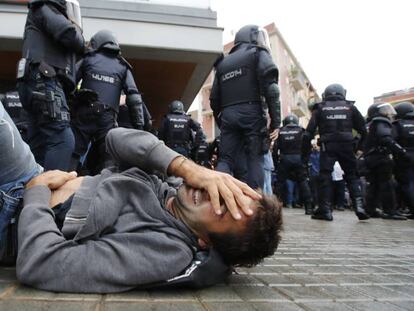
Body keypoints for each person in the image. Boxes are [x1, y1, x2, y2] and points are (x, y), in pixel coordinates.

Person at [0, 101, 283, 292]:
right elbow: (114, 140)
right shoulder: (173, 188)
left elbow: (42, 264)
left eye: (223, 206)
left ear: (206, 242)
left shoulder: (167, 251)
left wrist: (36, 193)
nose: (213, 192)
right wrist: (186, 167)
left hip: (12, 215)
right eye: (227, 190)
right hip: (27, 179)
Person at [210, 25, 280, 189]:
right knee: (254, 157)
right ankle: (254, 202)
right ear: (254, 37)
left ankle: (219, 198)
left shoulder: (222, 64)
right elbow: (272, 89)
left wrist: (222, 122)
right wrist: (275, 123)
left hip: (228, 115)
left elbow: (214, 99)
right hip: (252, 112)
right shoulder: (257, 53)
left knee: (225, 160)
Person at [17, 0, 85, 171]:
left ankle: (32, 193)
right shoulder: (44, 6)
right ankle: (51, 195)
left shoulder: (43, 10)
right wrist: (83, 43)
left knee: (39, 144)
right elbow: (70, 34)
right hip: (43, 80)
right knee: (62, 139)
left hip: (38, 82)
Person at [70, 30, 145, 173]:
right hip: (107, 118)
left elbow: (69, 82)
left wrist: (71, 105)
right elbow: (134, 97)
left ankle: (66, 185)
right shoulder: (122, 66)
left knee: (74, 154)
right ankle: (105, 188)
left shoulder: (88, 59)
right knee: (108, 158)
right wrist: (139, 127)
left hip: (83, 114)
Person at [303, 83, 369, 221]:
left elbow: (308, 133)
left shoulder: (320, 108)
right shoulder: (350, 107)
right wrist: (358, 146)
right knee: (352, 175)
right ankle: (359, 206)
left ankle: (325, 210)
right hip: (347, 145)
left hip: (328, 146)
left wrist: (305, 153)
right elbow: (364, 130)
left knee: (325, 176)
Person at [363, 102, 407, 220]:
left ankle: (370, 209)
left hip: (371, 157)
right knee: (387, 184)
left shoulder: (370, 124)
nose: (388, 112)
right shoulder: (381, 121)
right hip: (381, 157)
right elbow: (385, 137)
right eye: (385, 110)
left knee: (374, 185)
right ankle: (390, 211)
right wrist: (400, 149)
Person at [273, 114, 313, 215]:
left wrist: (276, 164)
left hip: (284, 159)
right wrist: (304, 161)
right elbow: (308, 148)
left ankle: (274, 207)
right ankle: (309, 207)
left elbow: (275, 149)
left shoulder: (281, 131)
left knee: (280, 184)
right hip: (298, 158)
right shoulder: (301, 131)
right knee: (303, 182)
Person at [393, 101, 414, 219]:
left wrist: (400, 152)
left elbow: (392, 141)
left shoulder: (398, 124)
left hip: (405, 157)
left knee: (408, 183)